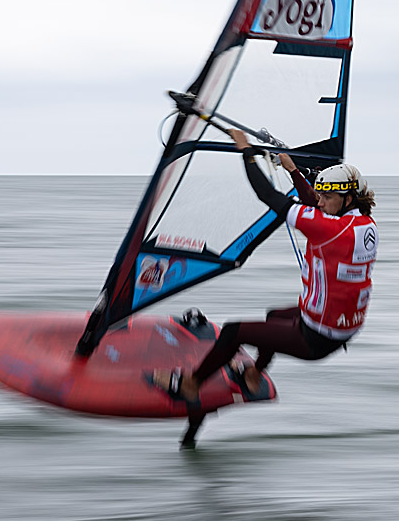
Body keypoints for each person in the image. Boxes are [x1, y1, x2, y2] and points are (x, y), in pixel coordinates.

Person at [152, 129, 378, 401]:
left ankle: (191, 384)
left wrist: (246, 151)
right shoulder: (364, 224)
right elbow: (316, 205)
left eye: (327, 198)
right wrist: (293, 170)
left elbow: (268, 196)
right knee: (274, 316)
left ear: (347, 199)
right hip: (340, 326)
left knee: (233, 332)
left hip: (317, 337)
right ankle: (254, 373)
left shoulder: (330, 229)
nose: (320, 202)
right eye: (321, 196)